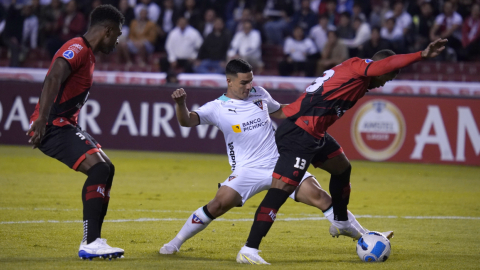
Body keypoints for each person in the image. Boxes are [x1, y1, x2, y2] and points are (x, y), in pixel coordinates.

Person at [236, 38, 448, 264]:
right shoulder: (361, 67)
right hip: (298, 132)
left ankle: (341, 221)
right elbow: (385, 64)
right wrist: (421, 55)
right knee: (281, 190)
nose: (386, 82)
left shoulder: (357, 75)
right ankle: (249, 249)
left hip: (314, 133)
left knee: (341, 168)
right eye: (389, 76)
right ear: (380, 67)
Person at [160, 58, 389, 257]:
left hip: (280, 161)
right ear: (229, 82)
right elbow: (187, 121)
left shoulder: (259, 94)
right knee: (218, 204)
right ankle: (174, 243)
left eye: (251, 80)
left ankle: (366, 237)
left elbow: (280, 111)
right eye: (243, 83)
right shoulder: (217, 108)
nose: (249, 86)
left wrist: (309, 110)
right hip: (247, 170)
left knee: (320, 196)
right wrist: (181, 105)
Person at [26, 5, 125, 260]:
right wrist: (42, 120)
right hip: (53, 125)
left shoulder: (87, 53)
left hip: (64, 124)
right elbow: (53, 77)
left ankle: (94, 240)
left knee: (107, 168)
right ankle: (90, 242)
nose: (117, 41)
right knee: (99, 168)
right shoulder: (78, 48)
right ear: (107, 30)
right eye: (117, 34)